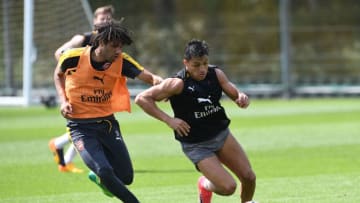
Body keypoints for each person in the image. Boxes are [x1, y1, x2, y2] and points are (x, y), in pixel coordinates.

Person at [135, 39, 257, 203]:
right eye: (196, 65)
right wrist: (169, 120)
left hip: (221, 134)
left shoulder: (216, 74)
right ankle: (205, 185)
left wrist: (241, 98)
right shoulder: (177, 84)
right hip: (197, 145)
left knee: (249, 177)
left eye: (205, 63)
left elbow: (235, 95)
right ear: (185, 63)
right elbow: (142, 99)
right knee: (228, 187)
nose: (202, 69)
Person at [53, 20, 162, 202]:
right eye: (114, 46)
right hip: (80, 128)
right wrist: (63, 101)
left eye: (121, 46)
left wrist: (165, 83)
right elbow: (58, 74)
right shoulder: (73, 58)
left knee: (126, 177)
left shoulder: (121, 61)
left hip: (108, 125)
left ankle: (101, 180)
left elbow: (150, 77)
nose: (119, 51)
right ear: (101, 43)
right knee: (105, 170)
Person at [48, 5, 115, 173]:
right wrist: (73, 71)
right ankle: (62, 153)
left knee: (89, 127)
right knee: (84, 126)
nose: (105, 21)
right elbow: (59, 53)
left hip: (96, 92)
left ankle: (62, 154)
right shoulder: (82, 39)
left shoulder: (111, 43)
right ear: (94, 21)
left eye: (108, 19)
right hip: (77, 91)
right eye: (102, 19)